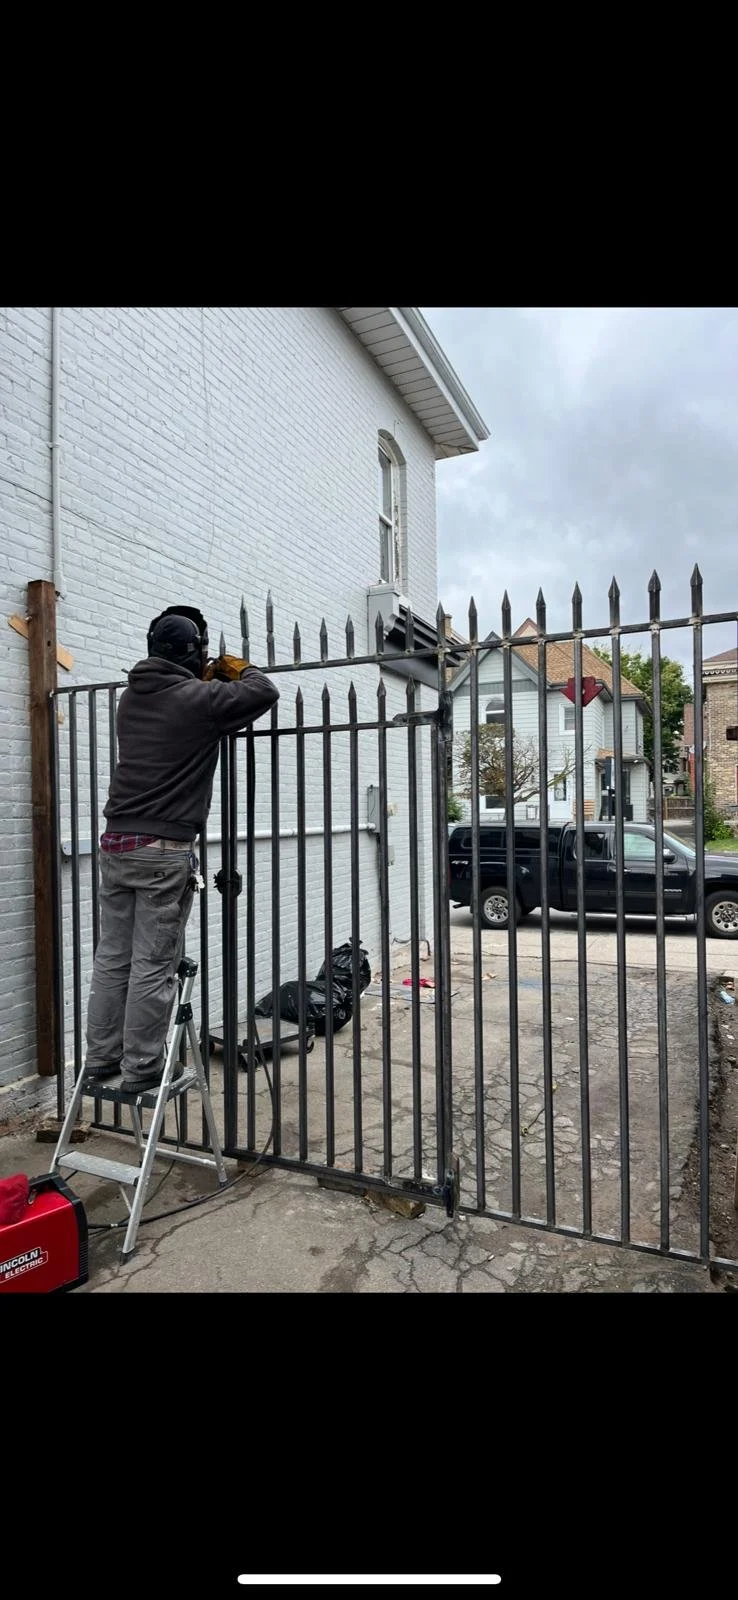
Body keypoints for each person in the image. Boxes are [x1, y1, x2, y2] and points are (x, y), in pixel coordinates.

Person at [84, 604, 279, 1095]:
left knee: (113, 958)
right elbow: (263, 691)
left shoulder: (130, 698)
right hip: (161, 848)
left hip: (116, 842)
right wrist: (235, 667)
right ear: (195, 655)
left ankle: (100, 1058)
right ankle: (143, 1068)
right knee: (153, 963)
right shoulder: (199, 698)